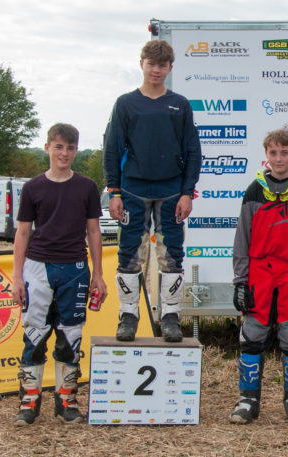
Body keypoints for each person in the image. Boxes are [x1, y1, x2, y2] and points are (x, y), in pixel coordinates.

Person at [103, 39, 202, 342]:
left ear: (170, 67)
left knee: (171, 255)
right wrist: (114, 192)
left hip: (171, 189)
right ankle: (128, 315)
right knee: (130, 253)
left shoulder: (180, 104)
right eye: (151, 64)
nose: (156, 70)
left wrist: (187, 192)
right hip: (133, 189)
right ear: (141, 64)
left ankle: (171, 316)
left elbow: (193, 151)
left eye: (162, 65)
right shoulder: (126, 103)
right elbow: (111, 149)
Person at [11, 123, 106, 425]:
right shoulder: (33, 187)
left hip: (75, 268)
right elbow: (23, 232)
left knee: (70, 336)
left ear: (76, 150)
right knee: (34, 335)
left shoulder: (87, 187)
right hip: (37, 268)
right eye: (59, 147)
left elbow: (94, 231)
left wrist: (98, 274)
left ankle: (67, 401)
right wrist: (16, 277)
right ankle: (28, 402)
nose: (64, 153)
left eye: (70, 148)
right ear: (47, 148)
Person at [229, 129, 288, 425]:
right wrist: (240, 282)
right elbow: (242, 239)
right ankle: (248, 401)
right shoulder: (253, 190)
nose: (279, 158)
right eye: (273, 153)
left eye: (284, 152)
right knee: (252, 336)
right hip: (259, 273)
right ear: (266, 155)